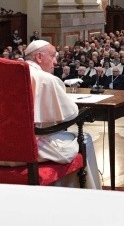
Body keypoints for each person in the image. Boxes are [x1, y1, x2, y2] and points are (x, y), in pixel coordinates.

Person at [12, 40, 101, 189]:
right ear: (39, 57)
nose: (55, 62)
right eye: (53, 56)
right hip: (32, 149)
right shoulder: (45, 79)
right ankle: (88, 194)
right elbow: (70, 114)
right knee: (85, 139)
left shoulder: (8, 74)